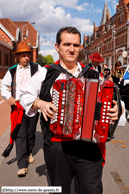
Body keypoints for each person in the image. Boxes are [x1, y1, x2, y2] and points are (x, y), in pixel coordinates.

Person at [20, 27, 118, 194]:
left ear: (80, 48)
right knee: (61, 190)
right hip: (58, 145)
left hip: (89, 144)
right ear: (57, 47)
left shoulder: (94, 75)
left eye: (75, 45)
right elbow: (24, 95)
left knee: (92, 190)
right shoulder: (47, 73)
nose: (71, 49)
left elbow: (109, 101)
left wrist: (115, 111)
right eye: (66, 44)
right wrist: (40, 103)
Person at [1, 41, 41, 176]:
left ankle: (29, 152)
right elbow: (3, 86)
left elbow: (44, 82)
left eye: (28, 55)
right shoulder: (11, 70)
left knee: (30, 134)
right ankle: (22, 165)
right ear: (17, 57)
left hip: (33, 107)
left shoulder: (37, 68)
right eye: (23, 56)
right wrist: (8, 97)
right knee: (20, 136)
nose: (26, 58)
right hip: (17, 108)